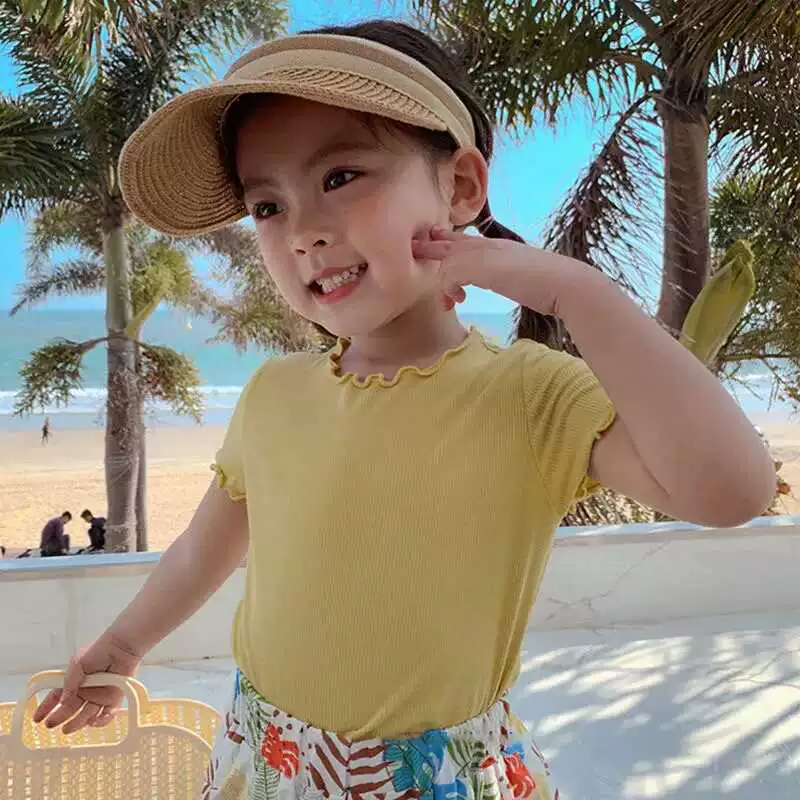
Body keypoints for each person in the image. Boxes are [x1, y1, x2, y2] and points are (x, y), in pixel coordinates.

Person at [33, 21, 775, 799]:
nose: (303, 233)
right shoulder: (275, 393)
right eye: (267, 206)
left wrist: (577, 292)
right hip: (267, 757)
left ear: (460, 189)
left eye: (340, 176)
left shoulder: (529, 393)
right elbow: (202, 550)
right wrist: (124, 644)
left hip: (439, 777)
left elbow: (731, 491)